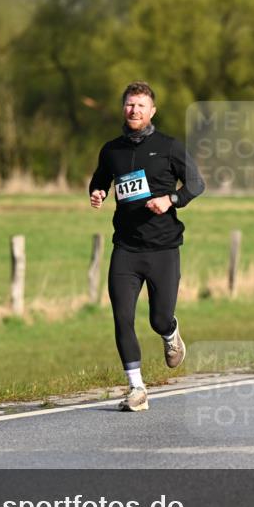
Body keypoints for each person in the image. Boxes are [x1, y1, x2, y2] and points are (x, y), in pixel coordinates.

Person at [89, 81, 205, 411]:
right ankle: (136, 389)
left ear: (152, 111)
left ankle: (170, 334)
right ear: (122, 109)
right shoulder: (112, 150)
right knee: (122, 317)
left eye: (140, 105)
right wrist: (97, 192)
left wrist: (171, 199)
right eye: (129, 104)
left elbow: (197, 183)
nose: (134, 110)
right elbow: (100, 179)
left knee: (159, 318)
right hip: (126, 248)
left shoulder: (168, 146)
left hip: (163, 248)